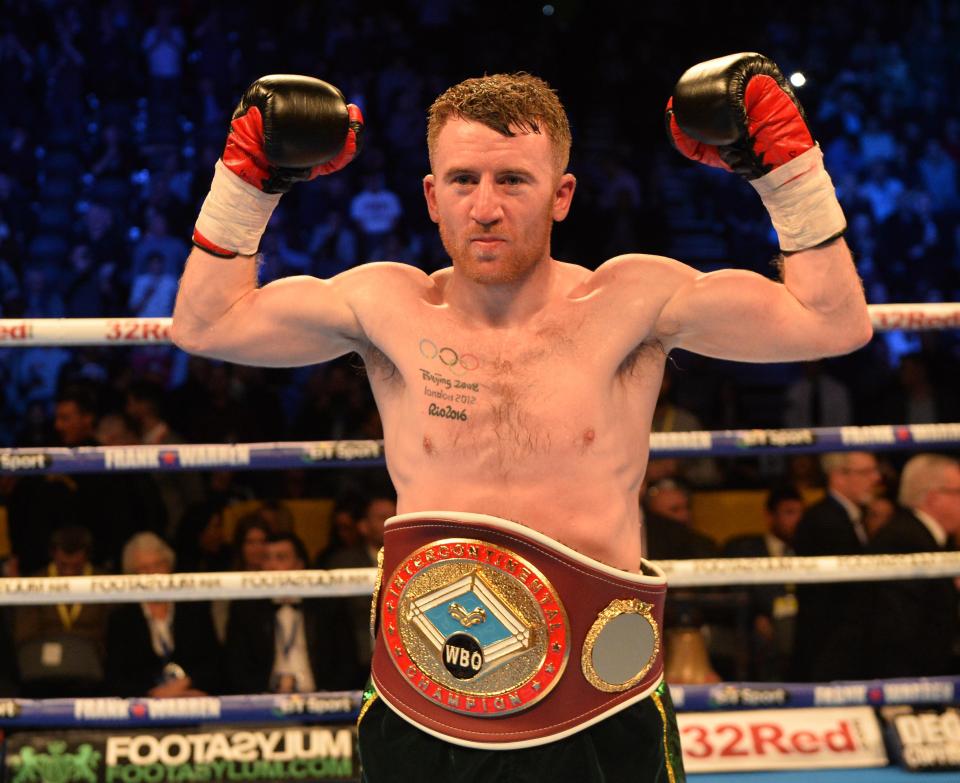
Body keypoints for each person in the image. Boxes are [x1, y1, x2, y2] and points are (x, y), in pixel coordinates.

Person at [172, 56, 871, 782]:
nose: (485, 205)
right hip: (423, 704)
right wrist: (248, 183)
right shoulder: (384, 305)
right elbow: (206, 324)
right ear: (431, 195)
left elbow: (831, 323)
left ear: (561, 194)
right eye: (463, 180)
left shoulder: (632, 301)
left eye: (513, 180)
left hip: (600, 702)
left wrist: (786, 173)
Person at [224, 531, 361, 694]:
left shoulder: (327, 605)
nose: (272, 566)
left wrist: (327, 696)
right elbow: (236, 669)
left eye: (281, 558)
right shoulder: (246, 610)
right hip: (265, 705)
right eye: (266, 559)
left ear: (299, 565)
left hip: (321, 702)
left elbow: (347, 663)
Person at [867, 454, 960, 677]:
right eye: (958, 492)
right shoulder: (905, 540)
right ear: (933, 497)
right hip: (908, 681)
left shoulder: (928, 538)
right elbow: (901, 629)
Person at [792, 451, 880, 681]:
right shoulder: (824, 520)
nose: (876, 478)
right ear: (838, 477)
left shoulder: (848, 517)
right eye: (866, 472)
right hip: (830, 650)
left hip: (842, 649)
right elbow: (840, 598)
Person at [104, 532, 222, 697]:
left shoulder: (195, 611)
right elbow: (116, 679)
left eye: (159, 565)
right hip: (142, 712)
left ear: (170, 567)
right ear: (132, 575)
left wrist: (186, 685)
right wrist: (154, 696)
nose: (154, 575)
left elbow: (215, 664)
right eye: (144, 569)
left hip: (194, 704)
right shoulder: (122, 619)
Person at [723, 486, 805, 680]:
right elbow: (738, 591)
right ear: (770, 516)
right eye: (789, 513)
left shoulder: (809, 547)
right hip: (763, 623)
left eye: (801, 513)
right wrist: (755, 615)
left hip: (801, 620)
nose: (798, 520)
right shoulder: (748, 549)